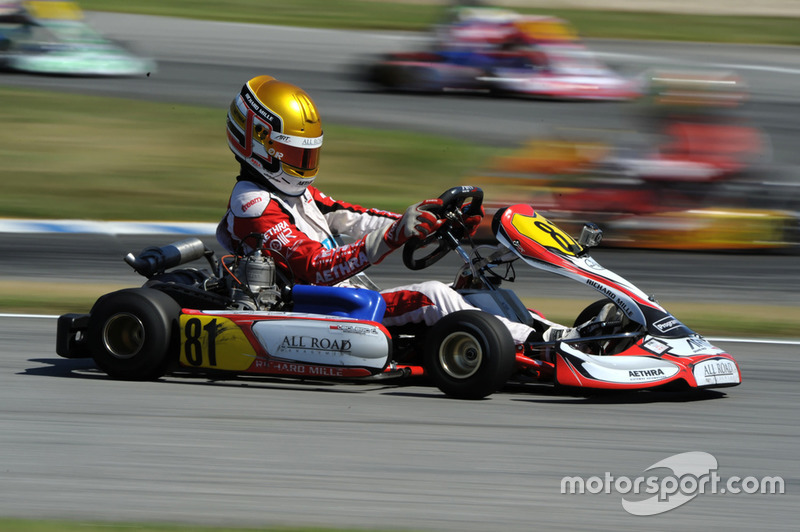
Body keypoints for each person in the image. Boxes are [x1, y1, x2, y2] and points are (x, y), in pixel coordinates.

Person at [216, 75, 576, 350]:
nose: (304, 165)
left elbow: (352, 216)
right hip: (315, 310)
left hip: (345, 301)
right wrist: (393, 236)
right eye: (294, 155)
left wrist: (427, 221)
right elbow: (313, 269)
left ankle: (560, 333)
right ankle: (541, 347)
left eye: (308, 155)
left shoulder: (294, 193)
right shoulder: (253, 204)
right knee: (432, 296)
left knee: (471, 289)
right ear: (256, 142)